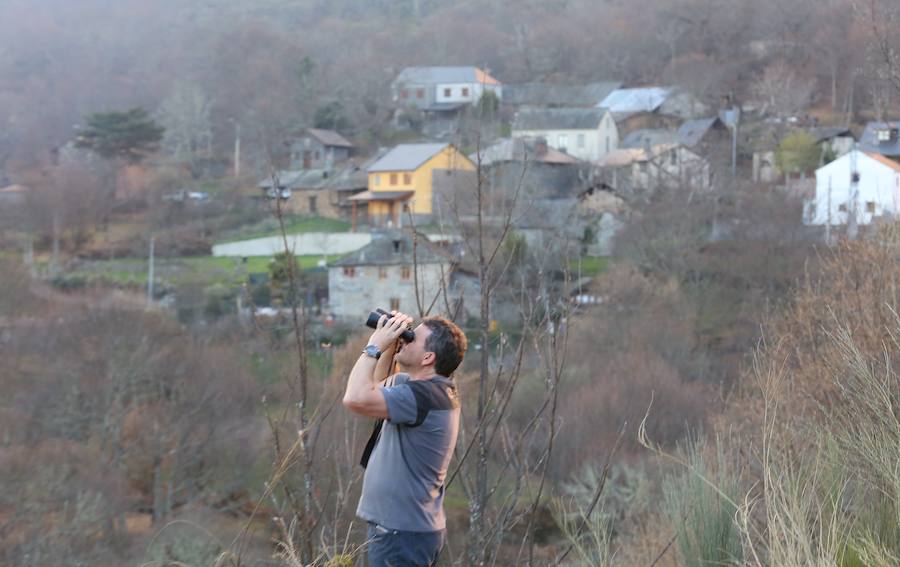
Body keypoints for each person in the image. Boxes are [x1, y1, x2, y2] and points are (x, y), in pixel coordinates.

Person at [343, 311, 467, 567]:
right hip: (405, 530)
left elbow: (355, 398)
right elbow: (374, 387)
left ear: (428, 357)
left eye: (412, 338)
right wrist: (392, 348)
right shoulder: (427, 389)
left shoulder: (424, 396)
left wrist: (375, 345)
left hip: (401, 534)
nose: (405, 338)